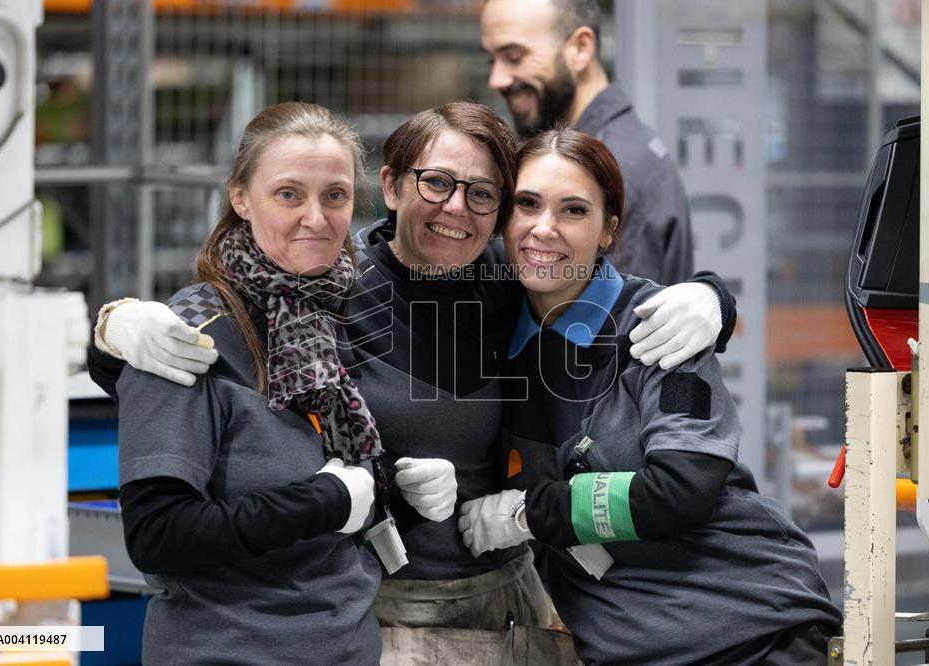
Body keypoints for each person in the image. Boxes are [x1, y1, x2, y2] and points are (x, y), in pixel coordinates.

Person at [89, 102, 735, 661]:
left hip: (508, 599)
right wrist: (114, 332)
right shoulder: (331, 295)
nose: (457, 207)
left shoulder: (512, 290)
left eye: (483, 193)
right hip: (377, 614)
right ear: (392, 186)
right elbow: (208, 354)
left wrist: (711, 299)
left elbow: (607, 297)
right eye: (436, 183)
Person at [457, 127, 843, 665]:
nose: (543, 229)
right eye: (527, 204)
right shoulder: (491, 318)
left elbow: (680, 488)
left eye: (573, 211)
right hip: (626, 644)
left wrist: (529, 513)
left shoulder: (657, 327)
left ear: (609, 229)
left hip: (747, 628)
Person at [113, 102, 384, 665]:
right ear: (241, 198)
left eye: (334, 195)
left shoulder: (338, 313)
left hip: (347, 647)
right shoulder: (189, 338)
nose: (316, 216)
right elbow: (158, 535)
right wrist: (325, 502)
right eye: (289, 194)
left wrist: (392, 483)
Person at [481, 0, 694, 286]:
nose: (497, 80)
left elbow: (615, 323)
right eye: (492, 60)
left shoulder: (613, 166)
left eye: (515, 56)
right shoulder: (611, 148)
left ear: (580, 48)